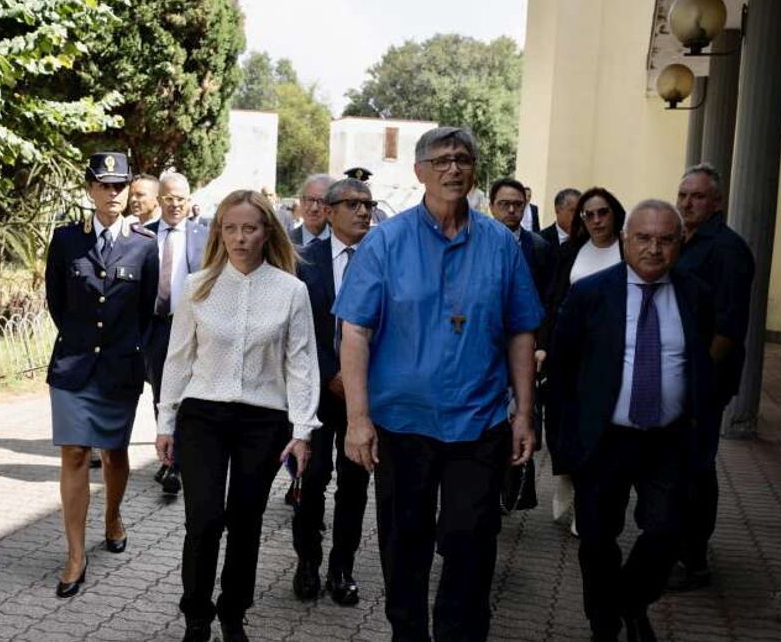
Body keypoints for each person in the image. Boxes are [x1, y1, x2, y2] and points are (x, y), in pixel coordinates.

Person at [336, 127, 543, 641]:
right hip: (402, 424)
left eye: (464, 160)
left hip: (480, 423)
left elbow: (521, 330)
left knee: (471, 537)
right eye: (442, 160)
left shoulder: (499, 243)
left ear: (475, 171)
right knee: (404, 541)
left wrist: (524, 412)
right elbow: (355, 333)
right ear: (419, 171)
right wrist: (358, 420)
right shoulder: (385, 241)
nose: (454, 169)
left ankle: (460, 632)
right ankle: (408, 633)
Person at [546, 199, 715, 642]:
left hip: (668, 439)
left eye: (666, 239)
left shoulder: (696, 294)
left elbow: (704, 368)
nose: (654, 249)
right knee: (598, 539)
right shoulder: (590, 295)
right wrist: (566, 442)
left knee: (667, 530)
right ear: (625, 241)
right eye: (643, 238)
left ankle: (631, 601)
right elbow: (562, 371)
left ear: (681, 244)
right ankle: (605, 622)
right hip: (603, 439)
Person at [155, 189, 320, 642]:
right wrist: (165, 421)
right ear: (219, 231)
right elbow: (178, 359)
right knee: (204, 518)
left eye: (249, 228)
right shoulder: (198, 285)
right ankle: (196, 616)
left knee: (246, 520)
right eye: (230, 228)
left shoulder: (292, 291)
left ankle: (233, 613)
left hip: (264, 421)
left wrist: (303, 431)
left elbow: (302, 364)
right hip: (202, 416)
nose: (240, 238)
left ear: (267, 231)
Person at [44, 152, 158, 598]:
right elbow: (58, 301)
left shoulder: (145, 245)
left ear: (129, 190)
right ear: (90, 189)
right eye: (104, 185)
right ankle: (75, 554)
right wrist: (80, 341)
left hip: (119, 367)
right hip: (73, 366)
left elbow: (146, 310)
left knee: (113, 453)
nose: (112, 194)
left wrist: (127, 349)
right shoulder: (67, 240)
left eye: (120, 186)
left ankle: (112, 516)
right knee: (74, 453)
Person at [668, 163, 755, 592]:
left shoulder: (727, 249)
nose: (687, 203)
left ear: (716, 201)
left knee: (696, 467)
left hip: (703, 381)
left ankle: (694, 560)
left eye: (697, 196)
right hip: (678, 375)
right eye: (683, 195)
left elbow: (728, 328)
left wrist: (697, 380)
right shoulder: (683, 241)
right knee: (678, 464)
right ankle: (678, 548)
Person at [291, 178, 375, 606]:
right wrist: (331, 374)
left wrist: (359, 378)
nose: (363, 212)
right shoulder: (305, 259)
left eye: (368, 205)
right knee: (313, 475)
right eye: (353, 204)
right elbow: (299, 328)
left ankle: (342, 567)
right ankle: (307, 561)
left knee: (355, 484)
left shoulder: (384, 259)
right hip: (318, 392)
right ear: (329, 209)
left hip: (366, 396)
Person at [546, 187, 627, 532]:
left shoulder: (628, 250)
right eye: (588, 214)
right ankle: (567, 477)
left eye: (602, 212)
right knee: (564, 425)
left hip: (612, 357)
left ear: (615, 214)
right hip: (570, 358)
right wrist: (544, 346)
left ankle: (587, 506)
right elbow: (554, 303)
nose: (596, 220)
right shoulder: (570, 252)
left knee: (600, 432)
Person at [145, 171, 208, 496]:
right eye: (168, 198)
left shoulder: (205, 236)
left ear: (189, 201)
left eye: (180, 199)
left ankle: (179, 462)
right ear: (159, 200)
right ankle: (169, 453)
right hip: (157, 327)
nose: (174, 205)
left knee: (190, 394)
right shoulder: (143, 235)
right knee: (162, 394)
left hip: (196, 330)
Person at [489, 178, 555, 299]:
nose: (511, 210)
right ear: (491, 207)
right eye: (504, 204)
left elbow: (548, 295)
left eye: (518, 204)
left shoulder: (540, 247)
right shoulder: (474, 245)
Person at [289, 174, 333, 246]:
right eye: (310, 200)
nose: (314, 208)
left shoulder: (342, 242)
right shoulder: (285, 242)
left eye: (321, 201)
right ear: (301, 201)